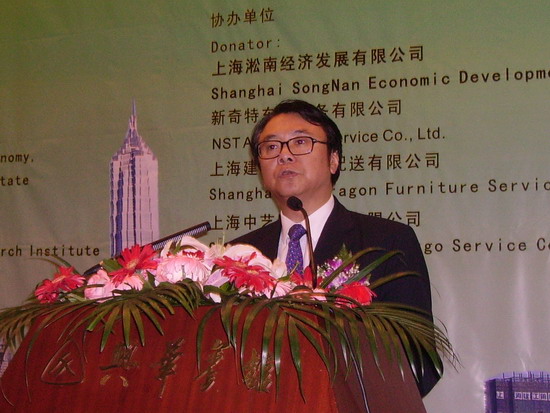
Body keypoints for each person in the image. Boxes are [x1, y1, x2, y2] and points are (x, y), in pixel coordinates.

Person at [231, 99, 441, 400]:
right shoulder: (239, 255)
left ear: (333, 160)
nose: (284, 155)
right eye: (271, 147)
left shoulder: (387, 242)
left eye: (300, 142)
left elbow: (419, 360)